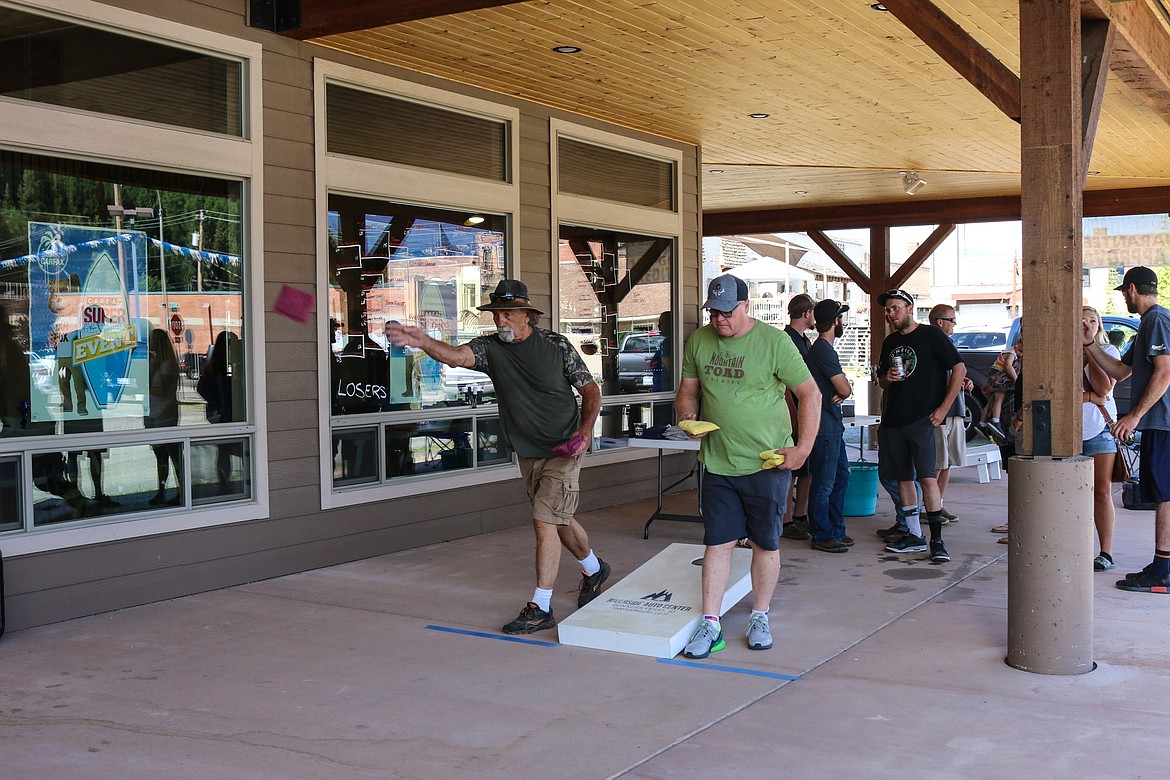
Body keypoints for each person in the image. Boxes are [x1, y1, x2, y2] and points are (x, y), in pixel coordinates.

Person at [387, 279, 609, 632]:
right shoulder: (490, 350)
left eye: (508, 314)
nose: (500, 320)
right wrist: (424, 342)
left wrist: (585, 430)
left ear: (526, 315)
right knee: (558, 518)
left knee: (543, 520)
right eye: (496, 314)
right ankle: (595, 569)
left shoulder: (555, 345)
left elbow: (590, 388)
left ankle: (541, 606)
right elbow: (457, 356)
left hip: (566, 446)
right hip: (528, 451)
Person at [675, 274, 820, 658]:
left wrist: (803, 448)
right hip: (719, 462)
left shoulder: (774, 342)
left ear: (745, 307)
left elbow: (810, 393)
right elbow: (688, 389)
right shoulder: (699, 340)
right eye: (713, 312)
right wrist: (688, 416)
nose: (719, 320)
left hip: (766, 463)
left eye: (726, 312)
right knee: (717, 544)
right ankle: (711, 623)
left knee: (764, 542)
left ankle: (760, 615)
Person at [1083, 267, 1170, 593]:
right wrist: (1090, 343)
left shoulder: (1157, 320)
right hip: (1158, 421)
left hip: (1163, 421)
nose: (1123, 297)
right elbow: (1120, 371)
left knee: (1165, 495)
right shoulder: (1148, 324)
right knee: (1162, 493)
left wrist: (1134, 415)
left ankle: (1163, 571)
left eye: (1123, 292)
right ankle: (1162, 563)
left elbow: (1164, 373)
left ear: (1131, 289)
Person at [875, 289, 966, 564]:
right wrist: (888, 378)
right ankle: (914, 535)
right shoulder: (890, 342)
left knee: (927, 477)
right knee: (903, 478)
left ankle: (937, 540)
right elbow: (881, 381)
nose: (891, 314)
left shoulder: (932, 335)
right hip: (894, 419)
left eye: (895, 308)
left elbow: (959, 368)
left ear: (910, 308)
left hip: (923, 420)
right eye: (888, 310)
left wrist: (943, 409)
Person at [805, 299, 853, 553]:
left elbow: (842, 389)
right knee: (824, 482)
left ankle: (835, 529)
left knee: (841, 476)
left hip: (832, 426)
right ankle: (822, 533)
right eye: (840, 318)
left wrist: (842, 390)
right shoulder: (823, 350)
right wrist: (844, 389)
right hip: (824, 428)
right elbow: (844, 387)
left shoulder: (822, 350)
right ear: (835, 321)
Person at [1080, 306, 1119, 572]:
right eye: (1083, 320)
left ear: (1100, 326)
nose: (1088, 324)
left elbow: (1103, 388)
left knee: (1101, 492)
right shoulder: (1061, 351)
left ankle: (1105, 551)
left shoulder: (1109, 352)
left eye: (1093, 321)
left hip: (1099, 429)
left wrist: (1089, 348)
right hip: (1066, 431)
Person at [927, 304, 973, 524]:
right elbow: (931, 377)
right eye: (952, 320)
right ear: (940, 322)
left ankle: (940, 503)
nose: (955, 324)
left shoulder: (950, 343)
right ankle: (928, 508)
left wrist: (962, 381)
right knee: (936, 462)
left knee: (948, 461)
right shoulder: (931, 343)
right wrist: (953, 381)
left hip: (956, 409)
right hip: (940, 411)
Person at [780, 293, 816, 540]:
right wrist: (793, 416)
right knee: (789, 471)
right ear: (807, 314)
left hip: (805, 411)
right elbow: (783, 386)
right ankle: (785, 518)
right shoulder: (785, 340)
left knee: (807, 467)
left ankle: (800, 514)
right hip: (789, 413)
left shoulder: (805, 341)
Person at [197, 330, 244, 493]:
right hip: (231, 413)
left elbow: (201, 387)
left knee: (224, 451)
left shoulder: (216, 365)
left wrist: (214, 403)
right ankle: (241, 483)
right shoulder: (232, 364)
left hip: (222, 413)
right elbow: (202, 387)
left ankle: (225, 485)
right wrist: (218, 402)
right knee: (241, 449)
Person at [145, 329, 182, 506]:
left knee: (173, 455)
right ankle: (161, 491)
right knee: (160, 456)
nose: (150, 344)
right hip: (152, 413)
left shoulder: (167, 364)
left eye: (153, 340)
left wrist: (143, 386)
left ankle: (183, 491)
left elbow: (162, 390)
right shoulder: (154, 361)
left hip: (165, 414)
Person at [979, 338, 1020, 442]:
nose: (1021, 354)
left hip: (995, 376)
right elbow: (1008, 366)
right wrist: (1016, 380)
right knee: (999, 399)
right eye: (1021, 351)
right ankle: (995, 422)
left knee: (992, 402)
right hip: (997, 376)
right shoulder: (1011, 352)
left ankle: (981, 424)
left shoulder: (1015, 351)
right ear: (1018, 344)